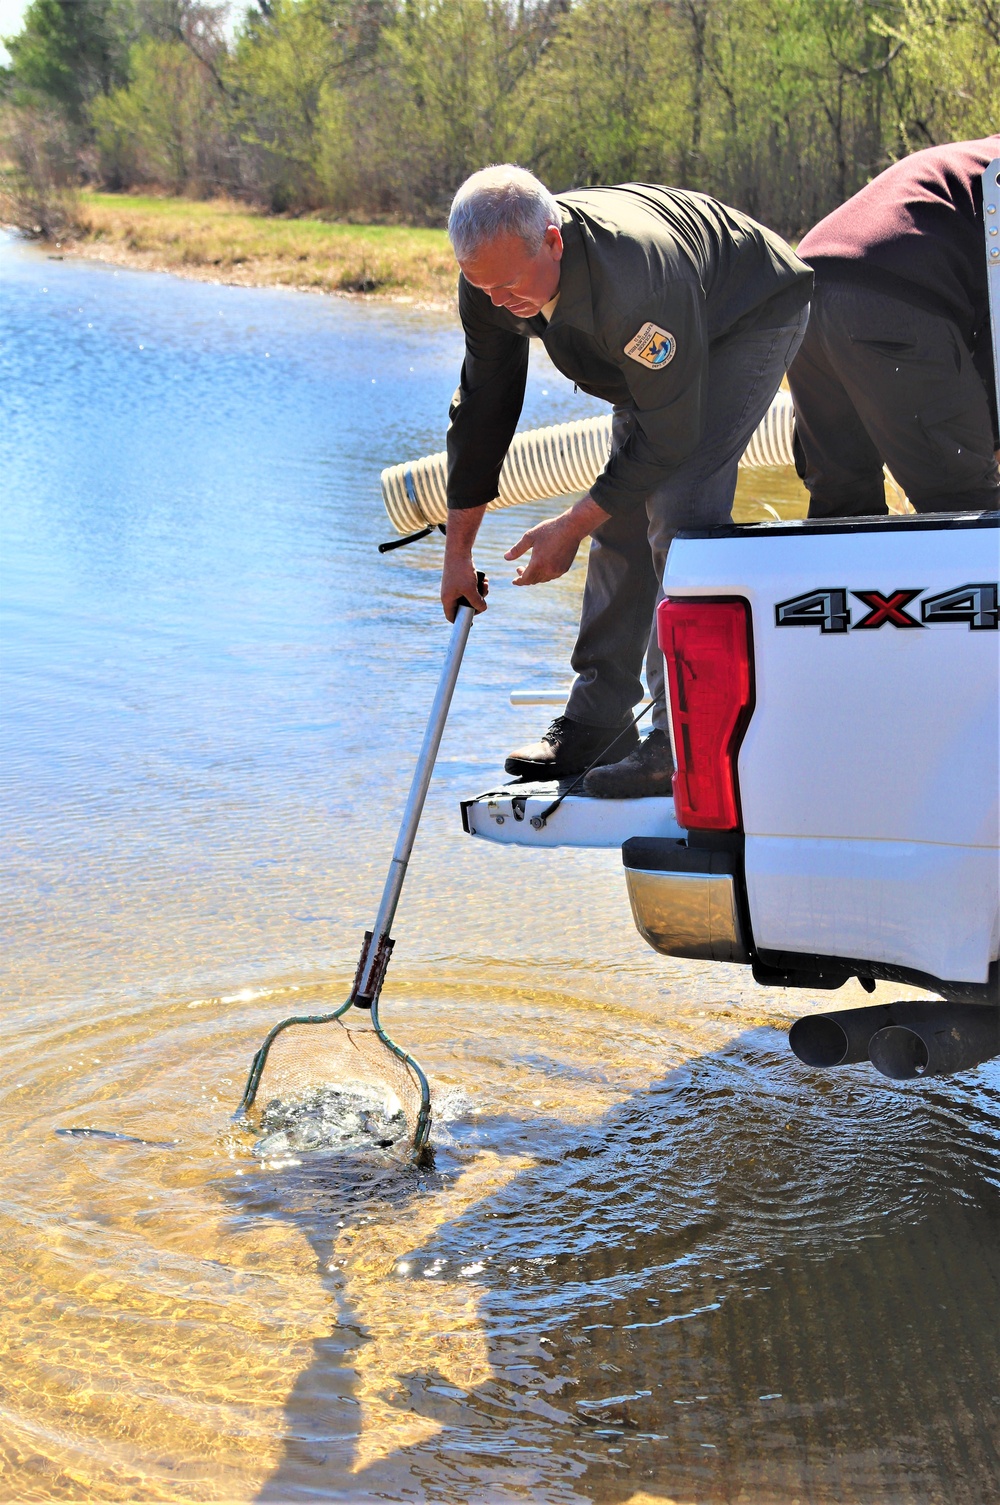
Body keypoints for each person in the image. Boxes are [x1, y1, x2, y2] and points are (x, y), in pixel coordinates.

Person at [440, 165, 811, 798]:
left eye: (509, 285)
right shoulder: (494, 278)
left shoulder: (636, 284)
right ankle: (597, 722)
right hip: (660, 337)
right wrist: (457, 554)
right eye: (484, 287)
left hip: (744, 315)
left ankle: (679, 742)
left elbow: (670, 437)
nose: (499, 301)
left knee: (678, 510)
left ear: (553, 241)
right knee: (621, 514)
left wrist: (572, 525)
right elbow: (482, 409)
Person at [788, 135, 1000, 518]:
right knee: (964, 507)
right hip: (892, 300)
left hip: (802, 291)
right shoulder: (989, 172)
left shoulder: (971, 158)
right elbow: (995, 331)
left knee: (842, 506)